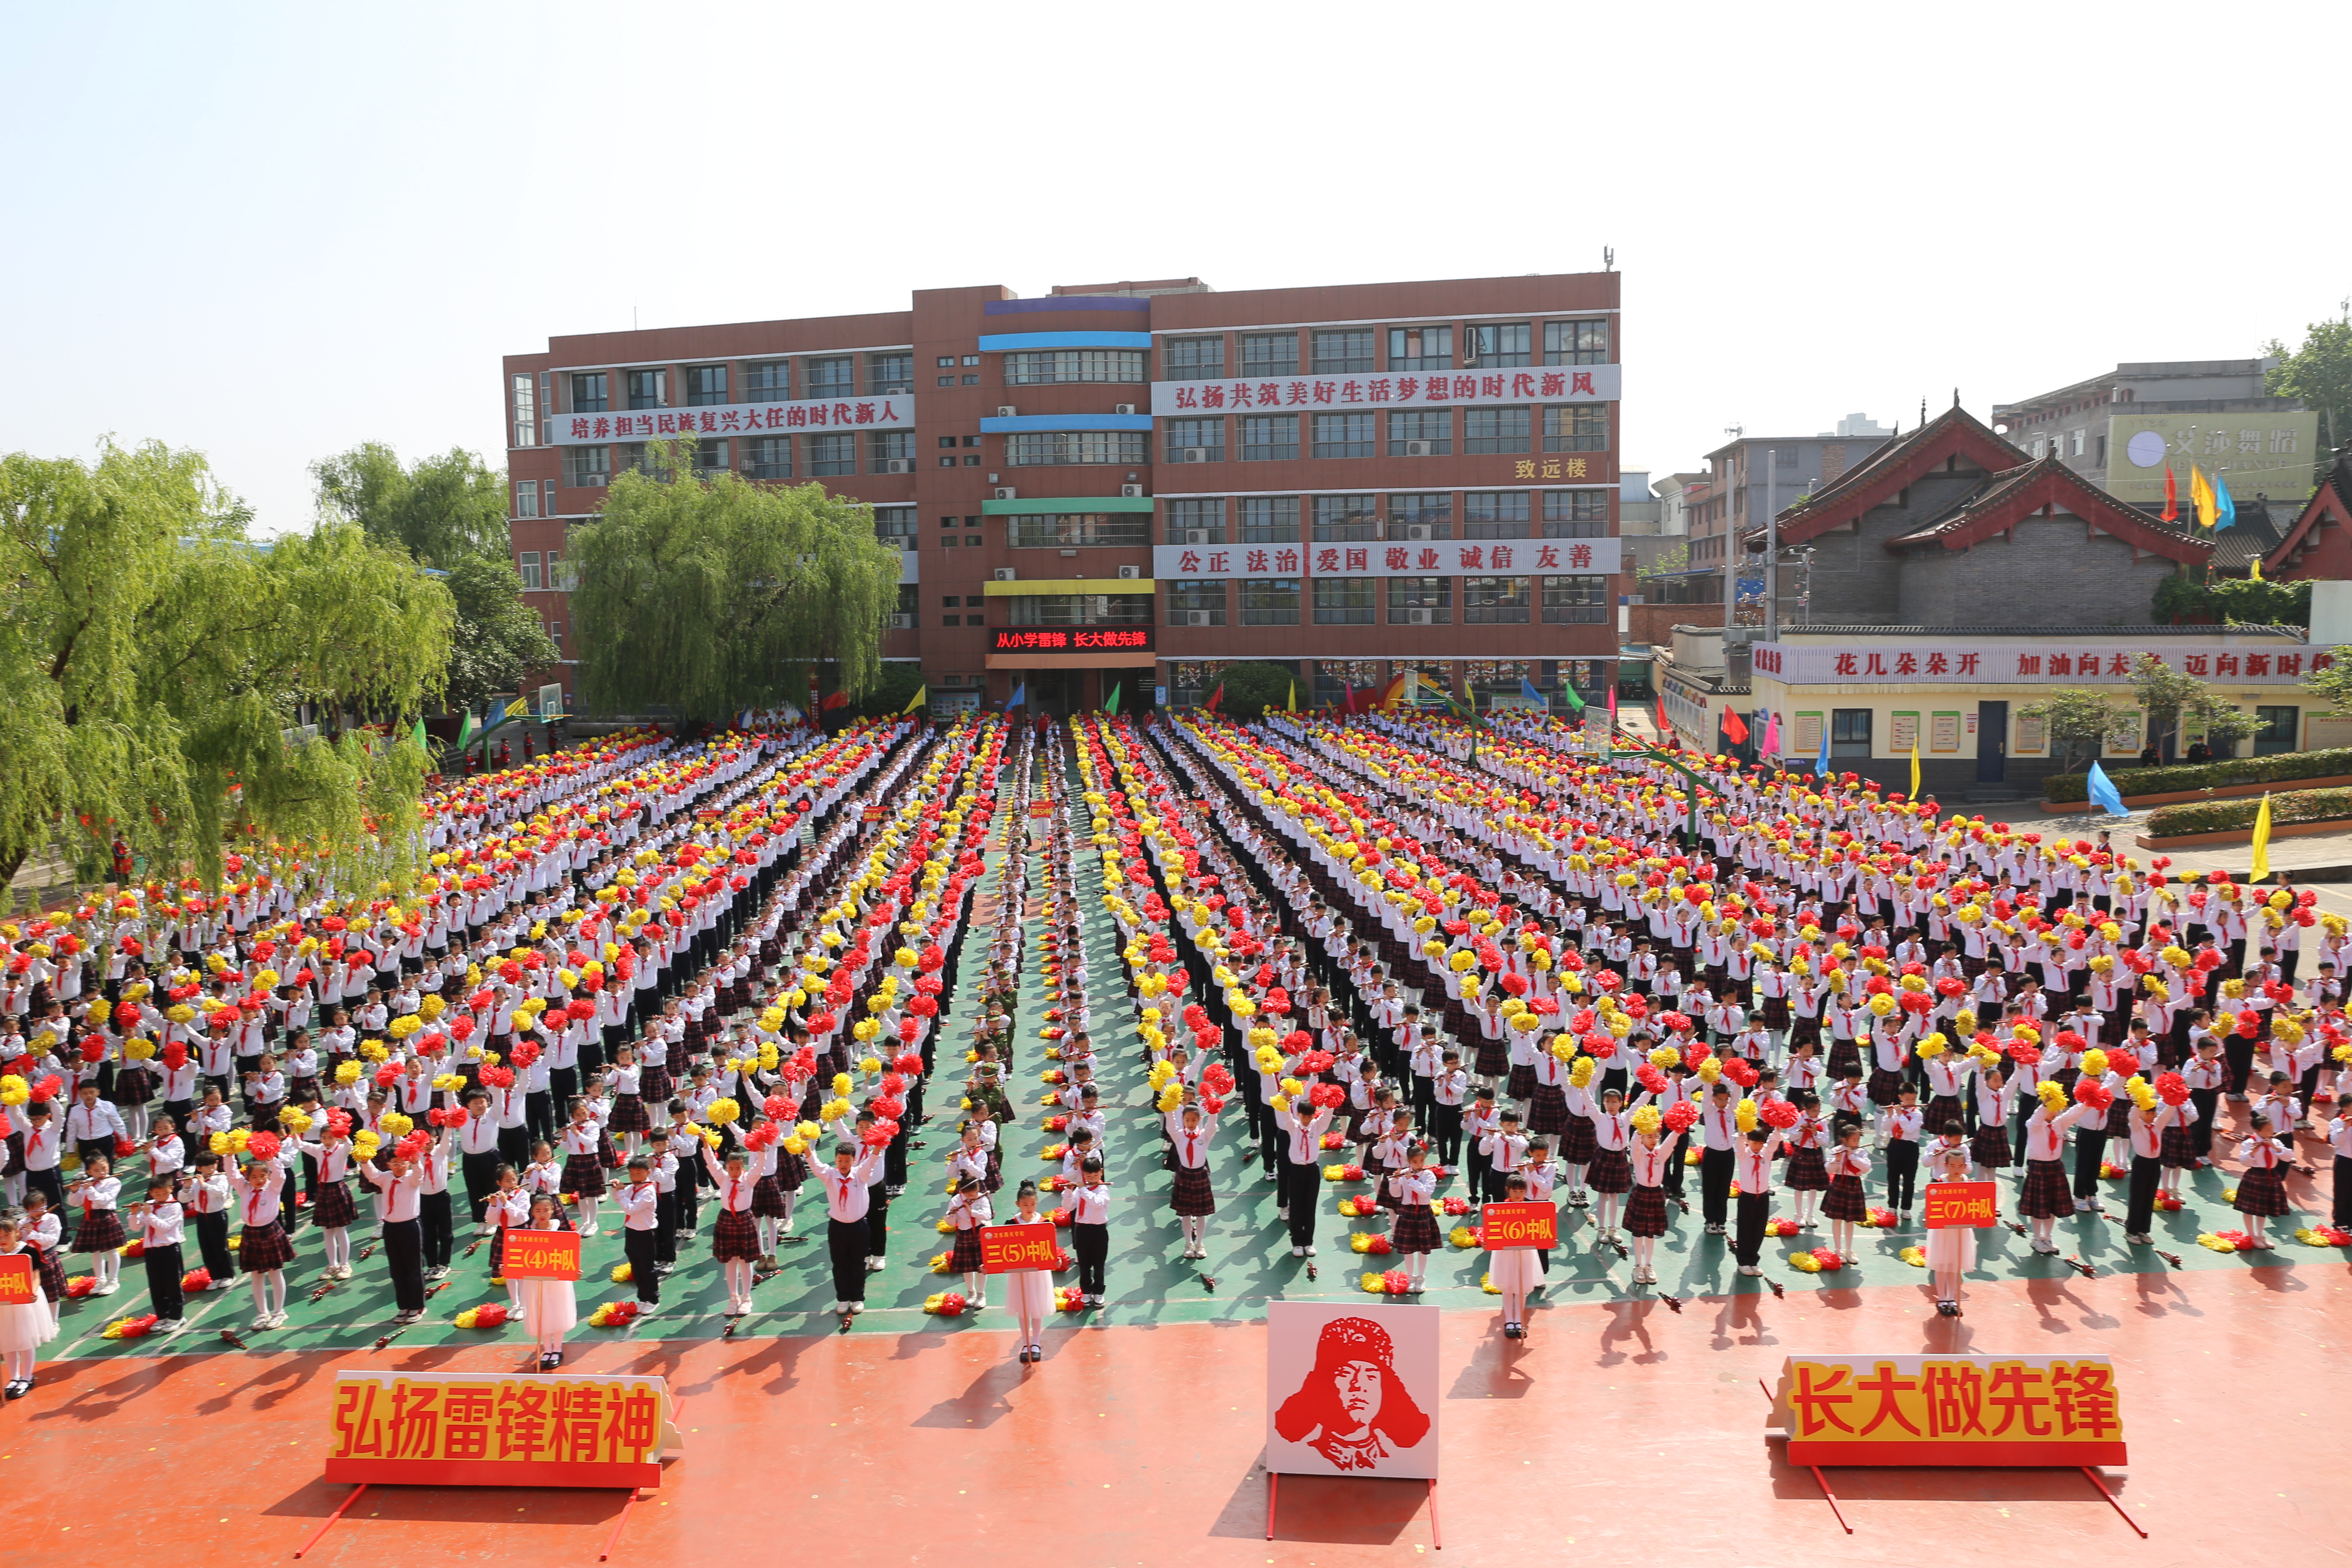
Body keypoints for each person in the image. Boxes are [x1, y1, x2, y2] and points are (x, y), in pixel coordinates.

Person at [1272, 1314, 1432, 1471]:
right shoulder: (1301, 1457)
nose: (1358, 1385)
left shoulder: (1401, 1463)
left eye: (1371, 1376)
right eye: (1345, 1374)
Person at [811, 1139, 884, 1320]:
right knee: (840, 1264)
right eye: (840, 1160)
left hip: (859, 1227)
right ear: (835, 1160)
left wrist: (879, 1145)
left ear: (854, 1160)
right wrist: (806, 1147)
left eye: (847, 1161)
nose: (843, 1164)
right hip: (837, 1227)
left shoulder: (861, 1175)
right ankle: (843, 1298)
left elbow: (872, 1161)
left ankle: (858, 1297)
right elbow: (815, 1164)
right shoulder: (830, 1176)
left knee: (859, 1263)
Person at [514, 1192, 578, 1369]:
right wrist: (510, 1269)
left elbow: (570, 1255)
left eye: (546, 1210)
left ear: (552, 1210)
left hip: (557, 1280)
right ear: (532, 1212)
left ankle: (557, 1348)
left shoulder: (560, 1231)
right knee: (541, 1313)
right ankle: (547, 1349)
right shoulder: (527, 1234)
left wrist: (574, 1272)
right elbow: (520, 1257)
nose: (542, 1214)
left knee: (558, 1310)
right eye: (538, 1210)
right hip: (535, 1281)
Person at [0, 1212, 57, 1399]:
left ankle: (27, 1377)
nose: (2, 1240)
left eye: (6, 1235)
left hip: (25, 1300)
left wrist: (31, 1292)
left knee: (25, 1338)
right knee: (7, 1340)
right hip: (4, 1303)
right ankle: (14, 1377)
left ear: (17, 1233)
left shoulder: (28, 1251)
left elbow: (35, 1277)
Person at [1001, 1179, 1055, 1364]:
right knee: (1023, 1308)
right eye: (1025, 1205)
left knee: (1037, 1305)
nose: (1029, 1208)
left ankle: (1036, 1343)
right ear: (1018, 1204)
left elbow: (1049, 1247)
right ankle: (1025, 1344)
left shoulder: (1044, 1223)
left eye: (1033, 1204)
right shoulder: (1011, 1223)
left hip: (1038, 1272)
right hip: (1019, 1273)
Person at [1730, 1120, 1785, 1277]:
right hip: (1747, 1197)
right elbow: (1739, 1145)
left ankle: (1753, 1260)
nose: (1758, 1146)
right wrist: (1742, 1133)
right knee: (1745, 1229)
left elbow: (1774, 1142)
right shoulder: (1744, 1154)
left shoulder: (1766, 1154)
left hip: (1763, 1197)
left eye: (1761, 1143)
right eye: (1755, 1143)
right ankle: (1743, 1261)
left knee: (1759, 1229)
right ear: (1749, 1141)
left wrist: (1778, 1129)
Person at [66, 1152, 126, 1295]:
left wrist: (90, 1189)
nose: (101, 1172)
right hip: (90, 1217)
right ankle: (100, 1280)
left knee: (111, 1250)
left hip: (106, 1217)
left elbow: (104, 1200)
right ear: (89, 1171)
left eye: (104, 1168)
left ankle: (114, 1280)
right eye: (96, 1170)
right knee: (95, 1251)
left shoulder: (113, 1182)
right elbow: (76, 1203)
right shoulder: (88, 1183)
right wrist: (75, 1192)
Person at [130, 1179, 185, 1329]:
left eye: (165, 1193)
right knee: (156, 1285)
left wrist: (149, 1215)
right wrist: (134, 1215)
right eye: (157, 1193)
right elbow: (135, 1228)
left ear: (171, 1189)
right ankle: (163, 1316)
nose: (161, 1196)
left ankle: (177, 1317)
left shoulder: (174, 1206)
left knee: (173, 1283)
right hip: (152, 1251)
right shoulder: (150, 1207)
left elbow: (165, 1227)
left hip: (169, 1249)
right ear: (151, 1193)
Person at [614, 1158, 662, 1314]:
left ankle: (653, 1299)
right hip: (632, 1230)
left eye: (638, 1173)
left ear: (648, 1173)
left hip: (645, 1232)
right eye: (632, 1174)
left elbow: (631, 1209)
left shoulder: (648, 1191)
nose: (634, 1177)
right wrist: (616, 1190)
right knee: (636, 1265)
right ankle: (643, 1297)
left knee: (647, 1267)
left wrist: (621, 1192)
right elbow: (619, 1200)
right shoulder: (632, 1188)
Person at [1069, 1154, 1112, 1307]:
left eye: (1095, 1174)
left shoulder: (1103, 1190)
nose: (1092, 1177)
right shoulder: (1080, 1190)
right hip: (1082, 1230)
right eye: (1088, 1175)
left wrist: (1083, 1191)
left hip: (1099, 1231)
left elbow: (1097, 1203)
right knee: (1084, 1264)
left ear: (1101, 1172)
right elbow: (1069, 1207)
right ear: (1084, 1174)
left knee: (1099, 1264)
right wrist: (1068, 1192)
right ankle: (1086, 1292)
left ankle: (1099, 1292)